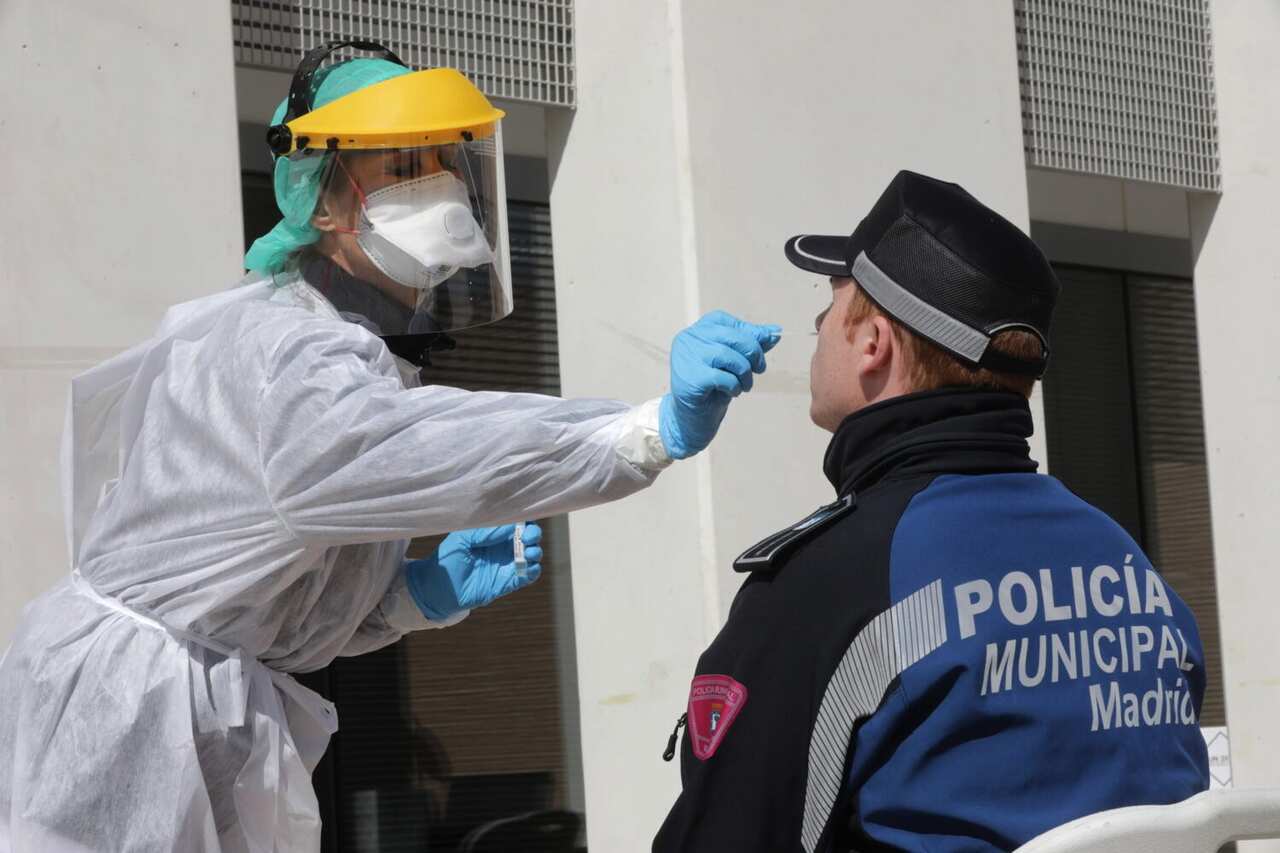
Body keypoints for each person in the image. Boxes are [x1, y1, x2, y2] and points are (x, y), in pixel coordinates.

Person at [0, 42, 781, 852]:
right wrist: (638, 432)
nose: (437, 181)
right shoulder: (290, 355)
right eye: (401, 163)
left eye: (442, 158)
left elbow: (269, 586)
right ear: (324, 203)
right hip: (127, 727)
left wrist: (409, 595)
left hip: (183, 708)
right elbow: (419, 450)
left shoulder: (341, 343)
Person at [653, 170, 1210, 852]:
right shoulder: (1125, 561)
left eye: (832, 307)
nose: (819, 325)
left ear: (873, 345)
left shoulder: (826, 586)